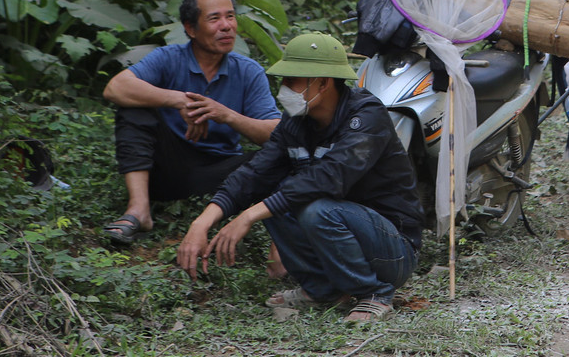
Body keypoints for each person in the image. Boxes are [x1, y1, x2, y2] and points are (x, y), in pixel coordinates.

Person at [176, 32, 423, 324]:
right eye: (284, 80)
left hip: (393, 250)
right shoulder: (295, 121)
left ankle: (374, 292)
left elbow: (328, 177)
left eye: (293, 80)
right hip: (341, 229)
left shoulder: (366, 116)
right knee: (277, 196)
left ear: (323, 82)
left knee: (311, 206)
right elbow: (256, 172)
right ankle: (324, 289)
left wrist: (247, 217)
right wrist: (202, 222)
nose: (284, 89)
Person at [101, 0, 281, 244]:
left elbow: (275, 133)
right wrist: (179, 101)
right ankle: (139, 209)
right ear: (190, 28)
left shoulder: (249, 71)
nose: (227, 25)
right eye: (214, 18)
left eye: (230, 16)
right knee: (133, 108)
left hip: (217, 174)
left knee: (277, 155)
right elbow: (115, 87)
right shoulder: (168, 57)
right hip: (163, 168)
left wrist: (226, 115)